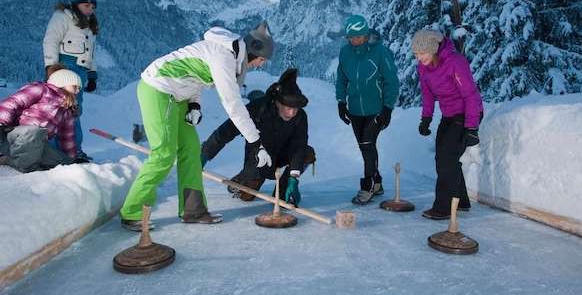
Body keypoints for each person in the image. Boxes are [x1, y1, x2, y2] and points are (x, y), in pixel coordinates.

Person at [119, 22, 274, 231]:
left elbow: (193, 76)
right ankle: (132, 211)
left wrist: (194, 103)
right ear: (254, 50)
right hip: (159, 89)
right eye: (262, 59)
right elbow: (233, 104)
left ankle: (193, 210)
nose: (260, 65)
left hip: (178, 95)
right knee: (164, 153)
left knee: (192, 151)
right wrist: (256, 142)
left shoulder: (230, 55)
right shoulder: (224, 57)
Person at [201, 68, 315, 207]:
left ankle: (284, 191)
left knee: (307, 153)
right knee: (246, 196)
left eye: (295, 108)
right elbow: (225, 132)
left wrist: (294, 178)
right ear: (278, 102)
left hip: (283, 155)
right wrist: (204, 154)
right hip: (259, 157)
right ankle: (242, 179)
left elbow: (299, 146)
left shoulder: (300, 116)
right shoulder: (257, 109)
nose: (291, 113)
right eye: (287, 107)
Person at [412, 30, 483, 220]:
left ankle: (443, 208)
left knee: (446, 160)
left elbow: (471, 96)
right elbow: (427, 94)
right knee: (444, 158)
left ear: (433, 49)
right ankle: (461, 201)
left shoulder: (455, 62)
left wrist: (472, 129)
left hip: (467, 112)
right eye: (416, 54)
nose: (418, 58)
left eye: (422, 53)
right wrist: (426, 118)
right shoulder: (424, 67)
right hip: (449, 114)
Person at [335, 14, 399, 205]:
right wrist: (341, 102)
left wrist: (387, 108)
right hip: (355, 109)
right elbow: (341, 79)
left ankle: (368, 185)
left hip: (376, 109)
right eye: (350, 38)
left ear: (365, 34)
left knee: (367, 143)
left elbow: (391, 82)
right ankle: (377, 182)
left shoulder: (380, 52)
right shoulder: (345, 52)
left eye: (357, 37)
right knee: (365, 147)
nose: (353, 41)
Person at [42, 0, 99, 160]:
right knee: (58, 108)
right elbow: (50, 40)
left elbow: (91, 52)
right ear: (75, 4)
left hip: (80, 71)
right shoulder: (62, 17)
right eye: (85, 3)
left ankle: (73, 150)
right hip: (64, 68)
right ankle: (53, 151)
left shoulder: (89, 24)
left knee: (75, 110)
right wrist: (51, 67)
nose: (90, 6)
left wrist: (92, 74)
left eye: (93, 4)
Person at [0, 68, 82, 173]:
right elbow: (12, 102)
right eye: (75, 87)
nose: (78, 91)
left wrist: (73, 159)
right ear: (61, 83)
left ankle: (24, 160)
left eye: (79, 88)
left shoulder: (68, 110)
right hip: (13, 136)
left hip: (35, 143)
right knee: (35, 131)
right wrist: (1, 123)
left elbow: (67, 138)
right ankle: (13, 161)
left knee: (66, 164)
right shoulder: (42, 90)